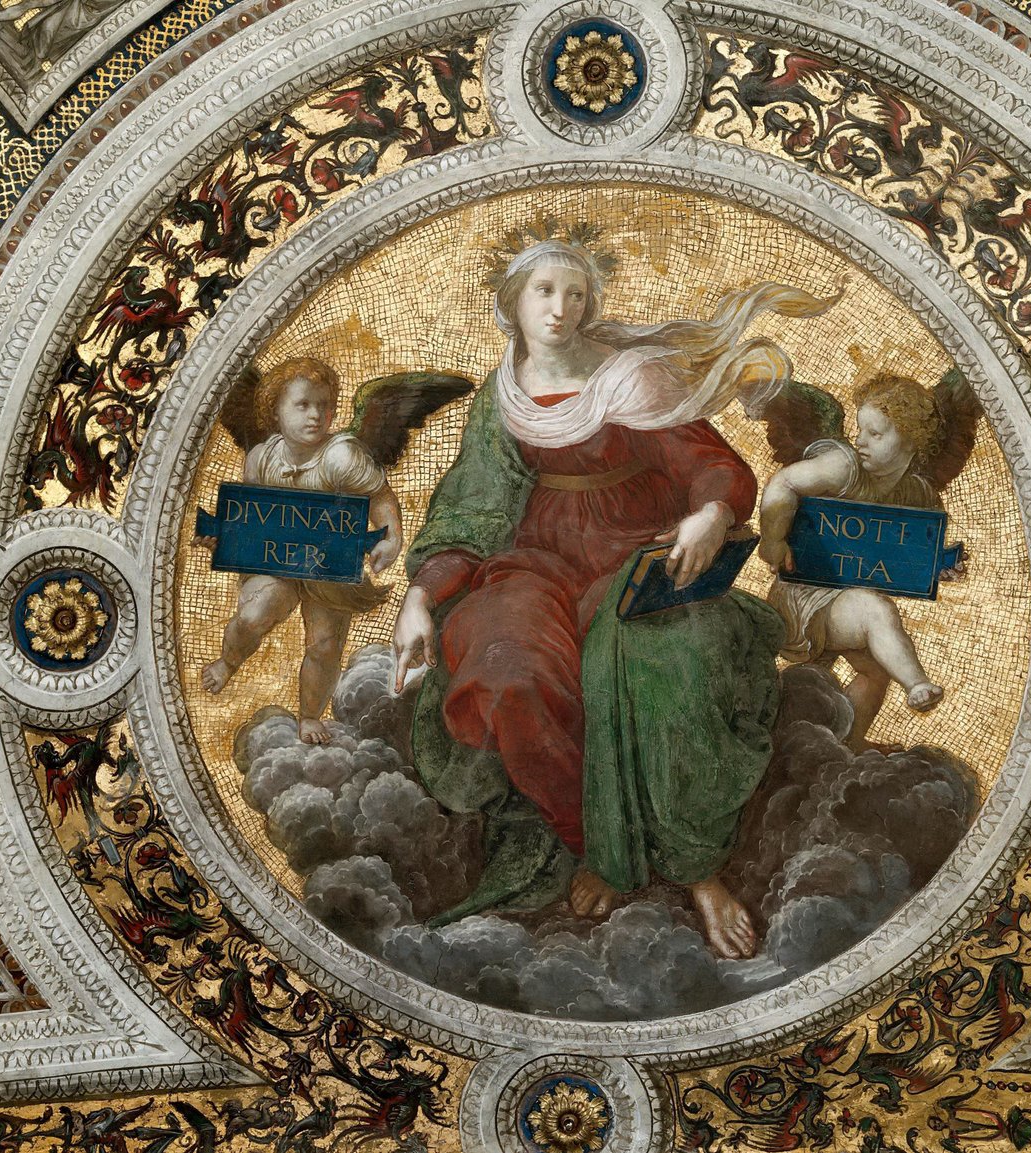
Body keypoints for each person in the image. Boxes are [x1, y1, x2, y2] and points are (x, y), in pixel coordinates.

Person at [392, 238, 840, 958]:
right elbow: (468, 514)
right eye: (544, 291)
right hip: (534, 564)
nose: (560, 309)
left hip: (638, 551)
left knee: (658, 666)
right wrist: (420, 595)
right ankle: (594, 841)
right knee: (506, 672)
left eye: (575, 294)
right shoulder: (499, 399)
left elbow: (711, 464)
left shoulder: (633, 378)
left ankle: (695, 869)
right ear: (512, 302)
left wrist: (711, 513)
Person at [201, 357, 403, 744]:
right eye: (303, 404)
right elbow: (248, 515)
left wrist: (391, 537)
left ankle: (309, 715)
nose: (316, 415)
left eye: (324, 405)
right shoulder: (262, 458)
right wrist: (222, 536)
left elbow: (380, 496)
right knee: (254, 613)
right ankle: (228, 661)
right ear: (275, 411)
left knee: (324, 645)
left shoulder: (341, 456)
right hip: (275, 561)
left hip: (327, 565)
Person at [757, 373, 949, 751]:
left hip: (848, 601)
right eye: (861, 430)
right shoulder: (844, 466)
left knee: (875, 670)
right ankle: (917, 684)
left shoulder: (917, 494)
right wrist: (773, 539)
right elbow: (783, 483)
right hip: (805, 596)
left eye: (875, 434)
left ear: (911, 440)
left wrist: (941, 564)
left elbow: (919, 550)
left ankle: (847, 745)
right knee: (876, 611)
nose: (860, 441)